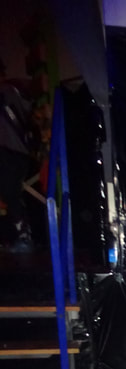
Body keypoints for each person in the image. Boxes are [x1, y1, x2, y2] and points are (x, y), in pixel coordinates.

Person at [0, 58, 34, 251]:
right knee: (10, 193)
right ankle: (21, 236)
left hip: (11, 151)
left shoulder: (7, 91)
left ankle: (24, 237)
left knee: (11, 193)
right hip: (14, 151)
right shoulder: (10, 91)